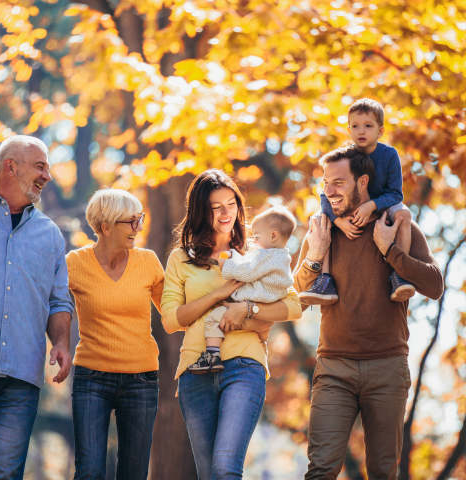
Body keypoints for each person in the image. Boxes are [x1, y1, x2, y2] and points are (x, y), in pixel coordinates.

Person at [294, 145, 444, 479]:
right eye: (325, 182)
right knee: (320, 470)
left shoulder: (397, 225)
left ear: (362, 182)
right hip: (334, 367)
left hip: (387, 367)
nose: (328, 191)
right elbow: (295, 300)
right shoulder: (322, 230)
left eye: (338, 183)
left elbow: (435, 286)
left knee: (382, 471)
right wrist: (315, 255)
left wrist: (390, 251)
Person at [161, 169, 302, 480]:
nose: (227, 213)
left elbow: (293, 306)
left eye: (232, 204)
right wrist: (221, 293)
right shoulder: (180, 259)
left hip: (243, 366)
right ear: (201, 211)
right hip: (195, 372)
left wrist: (248, 309)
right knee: (209, 474)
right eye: (216, 207)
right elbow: (171, 320)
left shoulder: (258, 253)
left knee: (225, 469)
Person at [0, 135, 74, 480]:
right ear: (11, 166)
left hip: (19, 382)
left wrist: (61, 341)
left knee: (4, 476)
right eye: (40, 166)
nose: (48, 176)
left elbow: (59, 299)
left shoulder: (51, 235)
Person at [66, 188, 164, 480]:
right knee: (89, 472)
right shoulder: (75, 263)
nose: (139, 227)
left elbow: (175, 315)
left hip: (142, 380)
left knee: (133, 474)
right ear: (105, 227)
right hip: (91, 379)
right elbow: (49, 303)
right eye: (131, 221)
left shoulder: (148, 261)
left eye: (140, 219)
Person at [299, 98, 415, 305]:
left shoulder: (389, 155)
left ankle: (400, 274)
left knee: (404, 215)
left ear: (380, 131)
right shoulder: (347, 156)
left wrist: (372, 205)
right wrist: (336, 220)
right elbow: (327, 193)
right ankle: (324, 280)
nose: (361, 131)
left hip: (383, 205)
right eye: (355, 126)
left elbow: (396, 194)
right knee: (319, 221)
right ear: (349, 130)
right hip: (346, 209)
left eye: (368, 126)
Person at [187, 206, 296, 374]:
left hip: (256, 297)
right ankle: (262, 348)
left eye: (257, 237)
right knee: (262, 335)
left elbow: (247, 271)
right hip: (269, 301)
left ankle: (212, 357)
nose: (254, 241)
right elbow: (249, 262)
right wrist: (234, 256)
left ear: (273, 235)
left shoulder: (264, 255)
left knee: (213, 319)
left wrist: (227, 265)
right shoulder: (281, 256)